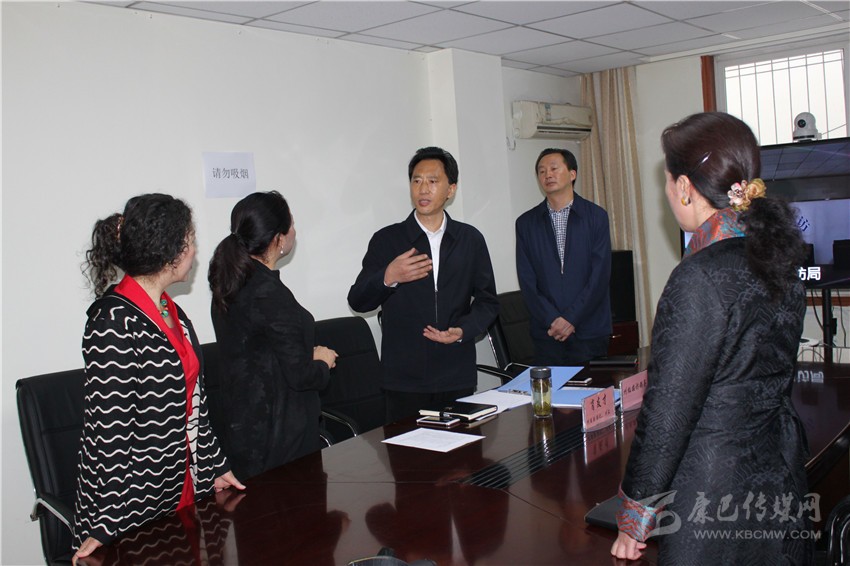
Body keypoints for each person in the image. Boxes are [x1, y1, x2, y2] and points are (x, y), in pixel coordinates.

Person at [611, 112, 811, 564]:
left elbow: (669, 411)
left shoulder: (699, 276)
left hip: (712, 495)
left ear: (684, 187)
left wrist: (635, 514)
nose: (667, 194)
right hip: (777, 479)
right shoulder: (778, 258)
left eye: (667, 182)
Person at [74, 194, 244, 564]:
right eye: (190, 240)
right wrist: (105, 524)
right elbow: (111, 433)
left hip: (181, 486)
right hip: (130, 505)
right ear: (170, 251)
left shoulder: (172, 311)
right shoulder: (112, 321)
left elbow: (194, 404)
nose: (195, 250)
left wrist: (216, 465)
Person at [348, 146, 499, 422]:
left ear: (451, 189)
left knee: (461, 448)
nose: (423, 189)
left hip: (456, 372)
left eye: (432, 181)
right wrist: (388, 276)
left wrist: (464, 330)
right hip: (404, 379)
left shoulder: (470, 240)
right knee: (406, 450)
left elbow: (488, 301)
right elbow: (358, 300)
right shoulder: (387, 240)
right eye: (416, 180)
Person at [208, 191, 337, 480]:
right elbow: (301, 376)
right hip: (281, 441)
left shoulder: (230, 286)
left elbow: (259, 356)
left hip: (245, 432)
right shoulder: (269, 294)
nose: (295, 231)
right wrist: (322, 361)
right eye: (292, 224)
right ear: (279, 238)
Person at [515, 148, 612, 366]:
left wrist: (571, 318)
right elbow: (527, 281)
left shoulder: (596, 217)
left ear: (572, 174)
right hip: (548, 333)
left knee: (592, 387)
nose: (547, 175)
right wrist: (553, 319)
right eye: (541, 171)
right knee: (551, 389)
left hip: (589, 331)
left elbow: (599, 276)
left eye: (554, 169)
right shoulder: (526, 223)